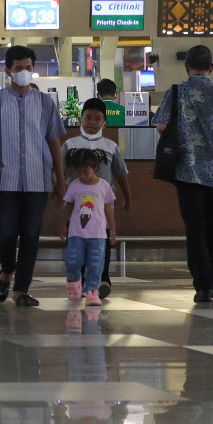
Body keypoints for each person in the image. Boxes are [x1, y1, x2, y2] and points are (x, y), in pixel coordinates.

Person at [0, 46, 65, 307]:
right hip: (6, 179)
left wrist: (60, 180)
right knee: (5, 233)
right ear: (8, 71)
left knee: (30, 234)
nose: (23, 72)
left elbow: (54, 143)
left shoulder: (45, 103)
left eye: (28, 67)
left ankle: (21, 290)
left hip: (38, 180)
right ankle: (5, 272)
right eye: (18, 68)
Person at [153, 45, 213, 303]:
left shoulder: (176, 91)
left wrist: (185, 137)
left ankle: (201, 286)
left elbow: (161, 126)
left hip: (187, 173)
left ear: (186, 66)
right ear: (212, 68)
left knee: (194, 229)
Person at [61, 98, 132, 299]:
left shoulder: (110, 146)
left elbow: (120, 173)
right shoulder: (70, 144)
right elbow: (60, 172)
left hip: (102, 206)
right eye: (88, 118)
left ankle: (102, 279)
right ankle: (80, 280)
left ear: (105, 123)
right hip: (76, 206)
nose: (92, 123)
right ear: (80, 120)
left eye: (97, 119)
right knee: (77, 243)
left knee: (102, 242)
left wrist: (128, 197)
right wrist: (57, 192)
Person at [61, 149, 117, 307]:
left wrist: (112, 229)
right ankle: (74, 279)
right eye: (79, 172)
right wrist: (63, 225)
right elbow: (69, 207)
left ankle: (92, 291)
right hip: (76, 233)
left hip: (98, 234)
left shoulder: (104, 186)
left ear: (95, 167)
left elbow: (108, 209)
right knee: (73, 260)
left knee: (95, 263)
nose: (82, 176)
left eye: (86, 171)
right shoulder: (74, 186)